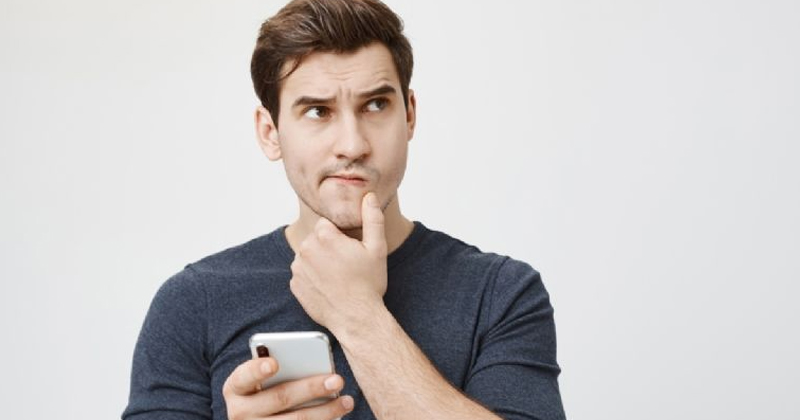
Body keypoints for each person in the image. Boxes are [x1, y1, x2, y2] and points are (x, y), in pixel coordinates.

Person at [122, 0, 565, 419]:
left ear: (409, 115)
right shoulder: (193, 303)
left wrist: (358, 315)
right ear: (270, 132)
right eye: (318, 111)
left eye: (376, 105)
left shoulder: (501, 294)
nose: (352, 145)